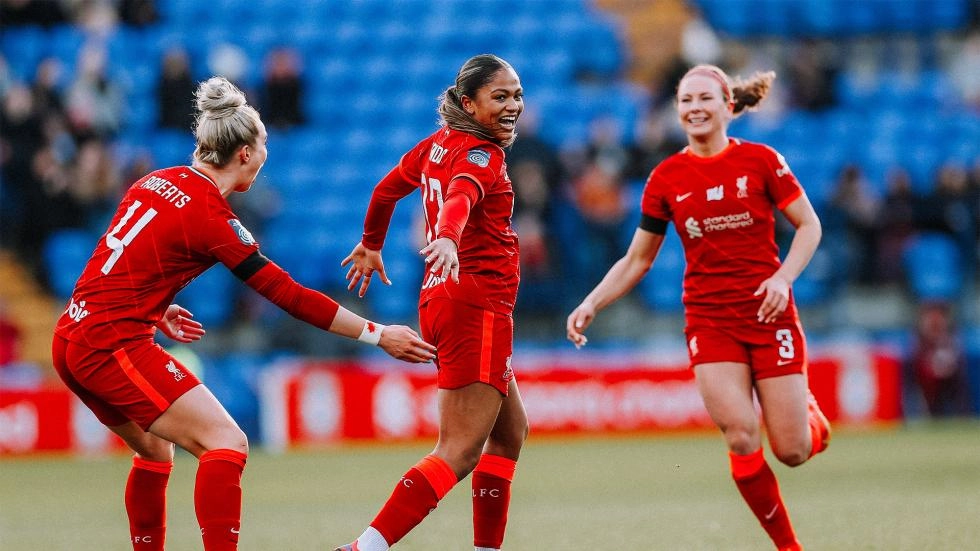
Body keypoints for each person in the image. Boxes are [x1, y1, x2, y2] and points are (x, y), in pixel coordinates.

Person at [51, 76, 436, 551]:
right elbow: (288, 295)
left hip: (72, 334)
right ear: (246, 155)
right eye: (265, 143)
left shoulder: (156, 179)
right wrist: (378, 335)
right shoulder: (212, 216)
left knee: (154, 450)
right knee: (226, 443)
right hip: (108, 345)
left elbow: (117, 258)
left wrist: (154, 306)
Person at [566, 64, 831, 551]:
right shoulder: (667, 177)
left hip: (770, 314)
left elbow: (809, 227)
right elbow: (637, 259)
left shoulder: (762, 161)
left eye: (705, 99)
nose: (694, 108)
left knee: (792, 451)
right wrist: (592, 302)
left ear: (728, 106)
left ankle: (810, 417)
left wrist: (783, 277)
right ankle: (789, 548)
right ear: (677, 111)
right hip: (710, 321)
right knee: (740, 434)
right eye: (686, 100)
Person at [336, 54, 529, 551]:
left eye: (517, 95)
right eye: (500, 97)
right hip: (476, 302)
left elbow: (385, 190)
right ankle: (366, 547)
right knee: (459, 450)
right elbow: (462, 195)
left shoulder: (436, 144)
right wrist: (447, 234)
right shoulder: (483, 154)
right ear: (469, 103)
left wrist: (372, 242)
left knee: (509, 433)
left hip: (447, 299)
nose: (513, 106)